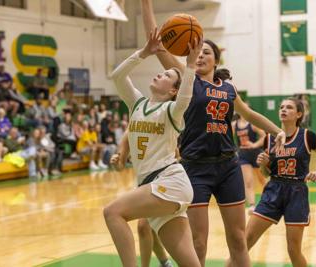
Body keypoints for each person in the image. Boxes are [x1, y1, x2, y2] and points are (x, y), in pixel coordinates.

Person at [141, 1, 285, 266]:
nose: (202, 55)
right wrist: (146, 4)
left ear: (216, 60)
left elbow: (250, 115)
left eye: (207, 52)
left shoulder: (228, 88)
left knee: (238, 239)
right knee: (198, 241)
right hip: (195, 168)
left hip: (228, 165)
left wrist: (279, 132)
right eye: (198, 51)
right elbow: (159, 45)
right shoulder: (186, 81)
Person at [103, 29, 202, 267]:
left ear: (173, 91)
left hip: (169, 181)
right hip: (153, 184)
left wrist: (190, 67)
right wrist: (143, 53)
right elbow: (117, 76)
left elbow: (185, 99)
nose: (160, 74)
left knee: (112, 212)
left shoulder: (171, 111)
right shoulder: (137, 104)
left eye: (167, 75)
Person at [245, 98, 316, 266]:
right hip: (273, 189)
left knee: (293, 250)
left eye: (289, 107)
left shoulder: (307, 136)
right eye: (281, 107)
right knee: (245, 240)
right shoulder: (270, 138)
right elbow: (266, 173)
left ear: (298, 114)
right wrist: (263, 164)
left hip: (297, 192)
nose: (283, 110)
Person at [110, 132, 173, 267]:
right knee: (148, 229)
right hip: (143, 183)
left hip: (164, 180)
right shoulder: (130, 131)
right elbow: (121, 164)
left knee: (143, 227)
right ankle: (165, 263)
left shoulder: (158, 121)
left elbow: (177, 154)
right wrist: (116, 163)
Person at [232, 114, 266, 214]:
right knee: (248, 181)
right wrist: (234, 150)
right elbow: (227, 136)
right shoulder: (234, 125)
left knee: (262, 179)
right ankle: (252, 205)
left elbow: (264, 135)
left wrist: (254, 144)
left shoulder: (252, 124)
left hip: (256, 154)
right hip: (243, 155)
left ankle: (270, 201)